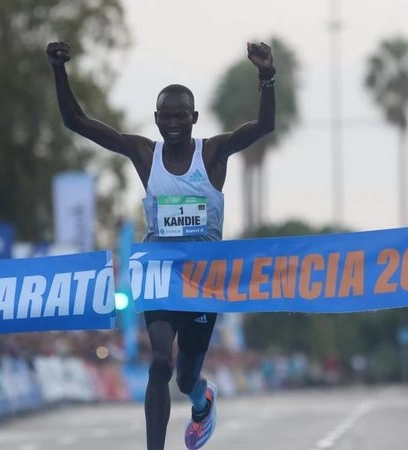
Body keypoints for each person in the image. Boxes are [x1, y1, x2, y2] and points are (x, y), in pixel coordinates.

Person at [46, 39, 276, 450]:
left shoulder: (214, 154)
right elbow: (76, 122)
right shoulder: (143, 154)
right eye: (166, 116)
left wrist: (266, 76)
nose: (173, 123)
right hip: (159, 273)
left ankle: (201, 398)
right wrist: (59, 70)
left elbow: (263, 127)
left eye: (181, 116)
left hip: (203, 279)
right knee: (158, 363)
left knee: (186, 376)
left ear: (194, 118)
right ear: (155, 119)